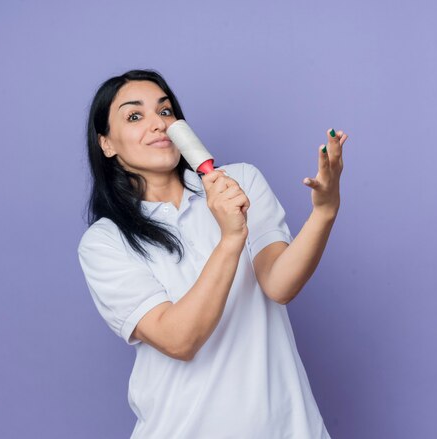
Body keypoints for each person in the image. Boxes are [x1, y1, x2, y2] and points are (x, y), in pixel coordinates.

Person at [77, 69, 348, 439]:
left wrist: (324, 211)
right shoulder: (105, 241)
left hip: (286, 428)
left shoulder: (242, 181)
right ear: (107, 144)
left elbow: (278, 284)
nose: (158, 124)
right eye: (135, 116)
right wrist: (231, 238)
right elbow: (179, 339)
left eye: (166, 111)